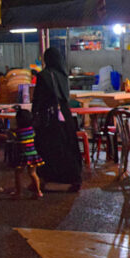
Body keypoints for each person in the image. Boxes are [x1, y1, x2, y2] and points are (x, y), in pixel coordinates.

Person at [33, 47, 83, 191]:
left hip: (50, 117)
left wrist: (34, 114)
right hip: (65, 115)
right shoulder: (63, 75)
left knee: (49, 148)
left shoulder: (44, 76)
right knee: (67, 146)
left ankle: (49, 178)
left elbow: (39, 98)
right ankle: (72, 177)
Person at [2, 108, 44, 199]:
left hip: (23, 155)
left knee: (18, 173)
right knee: (33, 173)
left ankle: (18, 192)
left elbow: (6, 137)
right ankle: (38, 192)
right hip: (33, 154)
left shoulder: (17, 132)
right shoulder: (31, 130)